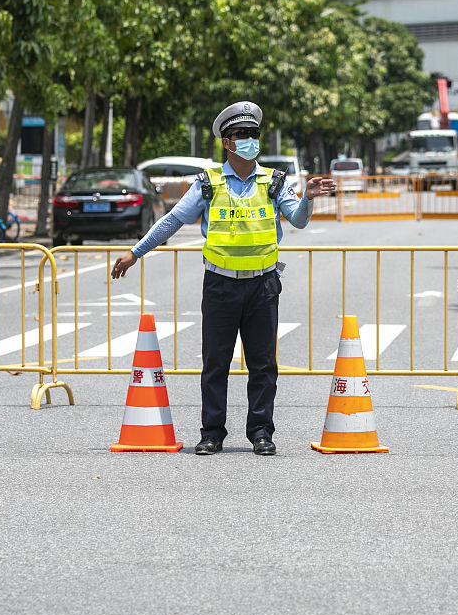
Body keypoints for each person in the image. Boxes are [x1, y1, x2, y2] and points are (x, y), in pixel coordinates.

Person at [111, 101, 336, 456]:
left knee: (263, 365)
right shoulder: (208, 184)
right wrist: (136, 252)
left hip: (262, 285)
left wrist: (307, 198)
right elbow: (171, 221)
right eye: (242, 134)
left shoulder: (275, 182)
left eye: (254, 134)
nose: (250, 140)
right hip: (220, 285)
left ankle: (261, 432)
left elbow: (299, 220)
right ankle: (212, 433)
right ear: (227, 143)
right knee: (215, 362)